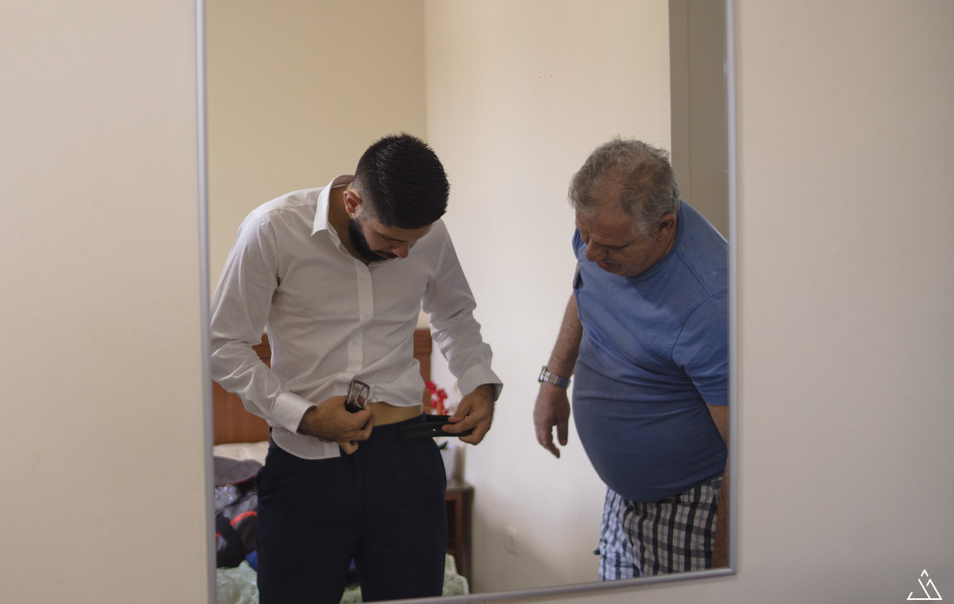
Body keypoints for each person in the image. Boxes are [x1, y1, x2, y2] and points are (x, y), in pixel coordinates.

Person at [211, 133, 502, 604]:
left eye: (415, 241)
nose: (404, 254)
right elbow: (222, 344)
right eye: (391, 239)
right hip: (305, 465)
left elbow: (453, 315)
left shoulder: (424, 234)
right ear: (352, 202)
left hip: (407, 460)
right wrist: (303, 416)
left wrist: (479, 384)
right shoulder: (272, 230)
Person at [532, 138, 729, 579]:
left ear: (663, 227)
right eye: (585, 236)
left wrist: (724, 568)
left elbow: (748, 451)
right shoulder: (606, 234)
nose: (592, 255)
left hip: (691, 508)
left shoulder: (711, 304)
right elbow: (586, 289)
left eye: (610, 248)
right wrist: (553, 380)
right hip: (623, 502)